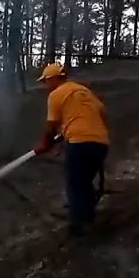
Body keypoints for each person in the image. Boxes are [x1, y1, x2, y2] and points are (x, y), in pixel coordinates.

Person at [34, 63, 110, 237]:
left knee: (75, 185)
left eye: (46, 81)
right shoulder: (84, 91)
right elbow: (102, 113)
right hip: (101, 143)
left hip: (79, 142)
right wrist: (66, 136)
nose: (45, 85)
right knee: (84, 183)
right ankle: (88, 220)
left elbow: (51, 126)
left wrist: (46, 144)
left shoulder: (56, 94)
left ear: (54, 79)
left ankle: (78, 229)